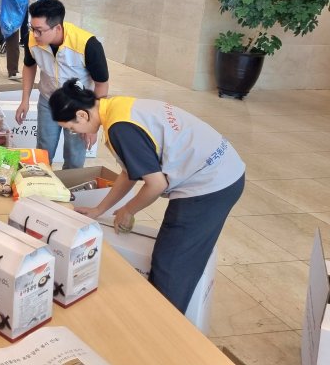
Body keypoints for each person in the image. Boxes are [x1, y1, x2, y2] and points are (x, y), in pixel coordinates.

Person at [50, 79, 245, 314]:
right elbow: (130, 172)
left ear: (82, 115)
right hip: (219, 167)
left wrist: (128, 210)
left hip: (210, 183)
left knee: (171, 263)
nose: (73, 132)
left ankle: (165, 327)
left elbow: (155, 183)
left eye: (71, 127)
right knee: (177, 254)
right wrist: (99, 210)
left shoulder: (120, 128)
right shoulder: (115, 108)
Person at [15, 0, 109, 168]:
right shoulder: (32, 39)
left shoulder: (87, 44)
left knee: (74, 155)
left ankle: (70, 191)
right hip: (48, 100)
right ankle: (42, 188)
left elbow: (102, 85)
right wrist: (25, 99)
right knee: (44, 150)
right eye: (32, 28)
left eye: (39, 30)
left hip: (79, 108)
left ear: (57, 27)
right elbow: (29, 67)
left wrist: (92, 124)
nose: (34, 35)